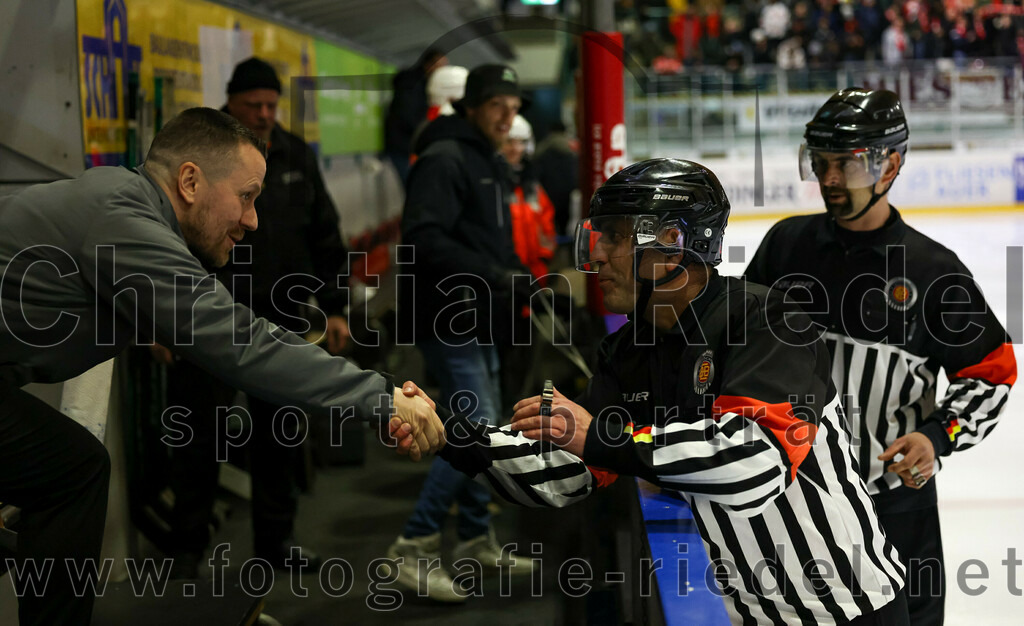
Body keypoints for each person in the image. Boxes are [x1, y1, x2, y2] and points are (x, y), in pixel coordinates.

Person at [407, 158, 912, 623]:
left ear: (672, 243)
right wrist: (447, 434)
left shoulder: (768, 321)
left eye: (615, 238)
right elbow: (563, 473)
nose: (596, 256)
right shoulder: (628, 350)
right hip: (747, 612)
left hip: (846, 609)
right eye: (597, 237)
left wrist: (603, 438)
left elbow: (755, 464)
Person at [0, 107, 444, 626]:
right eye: (247, 196)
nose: (252, 218)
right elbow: (243, 345)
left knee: (69, 469)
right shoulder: (123, 219)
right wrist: (380, 396)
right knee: (73, 471)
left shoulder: (124, 208)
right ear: (189, 181)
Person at [745, 88, 1017, 625]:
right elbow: (741, 346)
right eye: (820, 163)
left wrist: (940, 436)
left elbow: (992, 374)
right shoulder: (786, 246)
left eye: (844, 165)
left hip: (893, 505)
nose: (828, 179)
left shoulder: (933, 271)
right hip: (792, 499)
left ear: (889, 164)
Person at [154, 57, 354, 576]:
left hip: (280, 315)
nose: (265, 114)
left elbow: (324, 235)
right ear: (231, 102)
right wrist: (158, 319)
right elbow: (166, 236)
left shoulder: (294, 156)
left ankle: (276, 541)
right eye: (254, 105)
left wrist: (335, 308)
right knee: (197, 436)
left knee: (280, 436)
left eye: (272, 104)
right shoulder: (204, 152)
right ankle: (186, 548)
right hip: (202, 317)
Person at [388, 63, 534, 602]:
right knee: (473, 425)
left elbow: (487, 241)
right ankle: (415, 541)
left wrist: (519, 277)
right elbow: (424, 238)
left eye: (514, 106)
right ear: (471, 105)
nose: (507, 114)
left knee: (486, 421)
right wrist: (496, 275)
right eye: (498, 103)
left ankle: (474, 535)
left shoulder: (484, 160)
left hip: (478, 315)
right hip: (447, 317)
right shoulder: (446, 158)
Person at [502, 114, 556, 283]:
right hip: (504, 275)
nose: (516, 148)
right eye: (509, 142)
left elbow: (547, 226)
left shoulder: (532, 187)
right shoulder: (491, 186)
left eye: (521, 142)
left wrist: (544, 257)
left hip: (535, 275)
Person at [383, 47, 447, 184]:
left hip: (411, 146)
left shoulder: (423, 85)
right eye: (440, 65)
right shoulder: (411, 84)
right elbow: (408, 116)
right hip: (403, 146)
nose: (443, 70)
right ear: (428, 65)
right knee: (415, 187)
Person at [533, 120, 579, 239]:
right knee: (564, 218)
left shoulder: (541, 149)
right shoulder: (570, 149)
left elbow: (536, 173)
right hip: (566, 191)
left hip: (546, 191)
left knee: (549, 220)